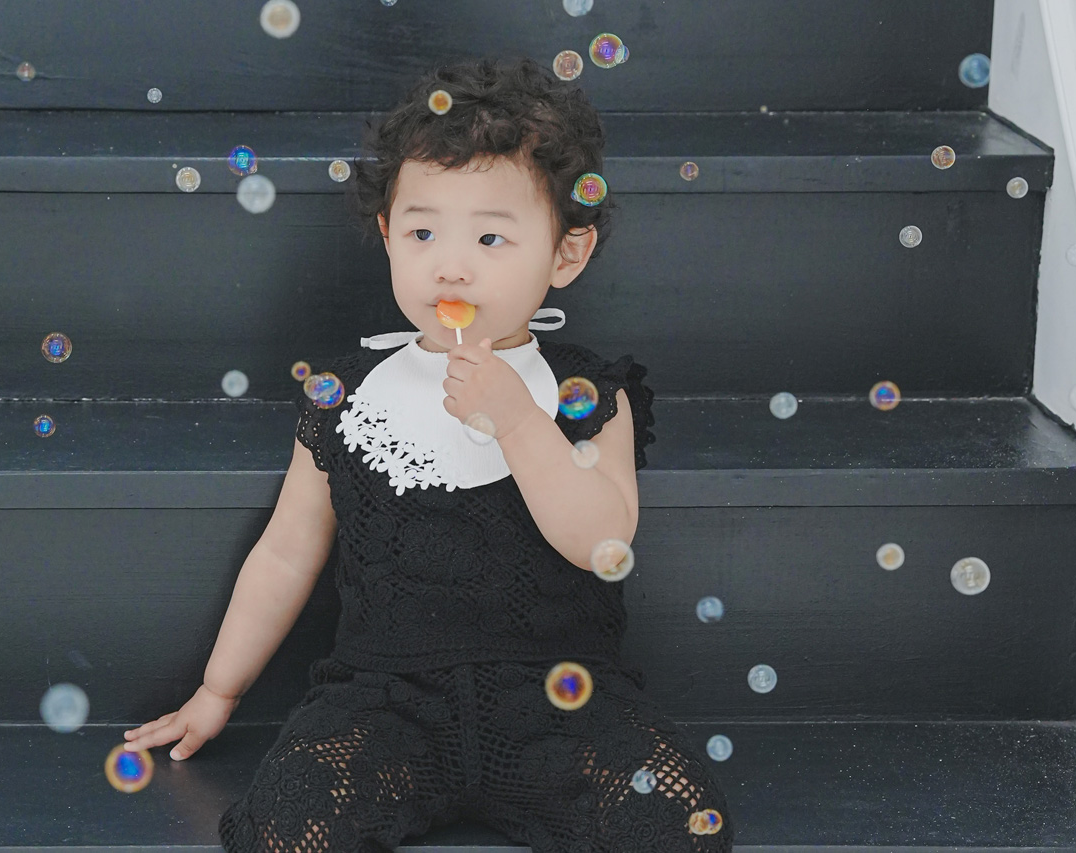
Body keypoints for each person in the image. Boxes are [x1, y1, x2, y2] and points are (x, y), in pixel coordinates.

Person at [123, 55, 733, 853]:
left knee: (680, 825)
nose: (450, 263)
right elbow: (286, 550)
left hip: (563, 700)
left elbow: (602, 541)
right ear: (386, 236)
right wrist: (217, 688)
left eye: (490, 236)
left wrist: (519, 421)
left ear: (565, 254)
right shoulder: (346, 395)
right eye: (421, 232)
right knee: (283, 830)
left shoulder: (586, 392)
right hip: (384, 699)